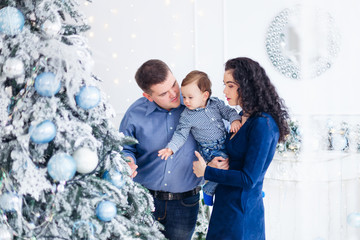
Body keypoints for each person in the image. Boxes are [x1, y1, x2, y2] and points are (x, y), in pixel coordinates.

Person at [193, 57, 290, 240]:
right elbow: (232, 159)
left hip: (242, 213)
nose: (224, 91)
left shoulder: (263, 124)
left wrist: (207, 172)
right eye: (225, 85)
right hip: (225, 206)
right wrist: (213, 164)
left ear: (246, 85)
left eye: (230, 85)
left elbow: (248, 179)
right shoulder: (240, 116)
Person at [119, 59, 206, 240]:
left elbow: (221, 134)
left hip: (185, 203)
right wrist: (128, 161)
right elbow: (124, 148)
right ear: (148, 96)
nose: (174, 94)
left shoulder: (198, 104)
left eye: (174, 84)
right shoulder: (135, 113)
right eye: (164, 93)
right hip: (144, 201)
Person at [158, 70, 241, 206]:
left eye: (190, 97)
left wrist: (234, 120)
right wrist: (170, 148)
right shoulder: (187, 115)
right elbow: (180, 134)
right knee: (224, 167)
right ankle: (209, 190)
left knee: (238, 162)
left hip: (225, 142)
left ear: (205, 95)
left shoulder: (216, 104)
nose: (186, 101)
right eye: (184, 97)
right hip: (210, 150)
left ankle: (249, 190)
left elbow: (229, 112)